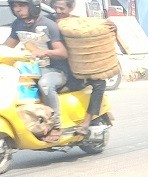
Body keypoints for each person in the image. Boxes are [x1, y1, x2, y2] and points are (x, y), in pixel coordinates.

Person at [5, 0, 70, 132]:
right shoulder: (18, 24)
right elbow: (8, 46)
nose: (17, 9)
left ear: (33, 6)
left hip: (56, 71)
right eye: (14, 6)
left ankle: (55, 125)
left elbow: (63, 53)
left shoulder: (47, 25)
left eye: (22, 5)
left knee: (44, 84)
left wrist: (44, 52)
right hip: (32, 69)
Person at [51, 0, 114, 135]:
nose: (57, 11)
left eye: (61, 8)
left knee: (99, 83)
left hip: (76, 71)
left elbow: (96, 35)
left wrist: (112, 27)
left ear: (72, 7)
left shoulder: (78, 24)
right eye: (55, 7)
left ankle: (86, 121)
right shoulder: (49, 22)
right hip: (55, 68)